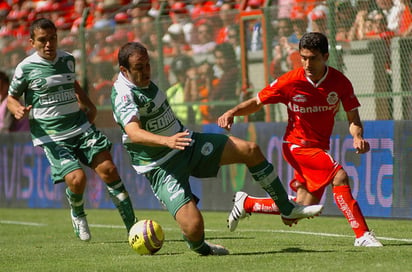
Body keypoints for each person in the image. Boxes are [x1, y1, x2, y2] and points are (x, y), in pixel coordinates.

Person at [110, 42, 323, 256]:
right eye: (139, 67)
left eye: (148, 65)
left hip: (186, 143)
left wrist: (174, 140)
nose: (146, 71)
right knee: (194, 228)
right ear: (124, 70)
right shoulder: (123, 94)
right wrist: (167, 141)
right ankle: (202, 248)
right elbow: (133, 132)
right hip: (160, 166)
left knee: (250, 150)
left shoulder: (142, 81)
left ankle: (286, 208)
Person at [218, 32, 383, 247]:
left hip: (320, 147)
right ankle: (362, 235)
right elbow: (257, 101)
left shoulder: (340, 82)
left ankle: (247, 203)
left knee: (300, 208)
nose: (306, 63)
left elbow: (353, 118)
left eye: (312, 58)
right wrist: (232, 112)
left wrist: (357, 136)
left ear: (325, 56)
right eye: (303, 57)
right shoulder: (290, 81)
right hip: (296, 146)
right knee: (340, 176)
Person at [6, 18, 137, 242]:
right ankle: (77, 212)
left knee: (109, 170)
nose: (49, 44)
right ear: (31, 42)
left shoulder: (68, 59)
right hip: (52, 135)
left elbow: (72, 83)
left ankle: (133, 228)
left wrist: (89, 104)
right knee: (76, 180)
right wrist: (17, 109)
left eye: (53, 39)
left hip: (80, 126)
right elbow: (11, 97)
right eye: (42, 40)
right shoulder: (25, 67)